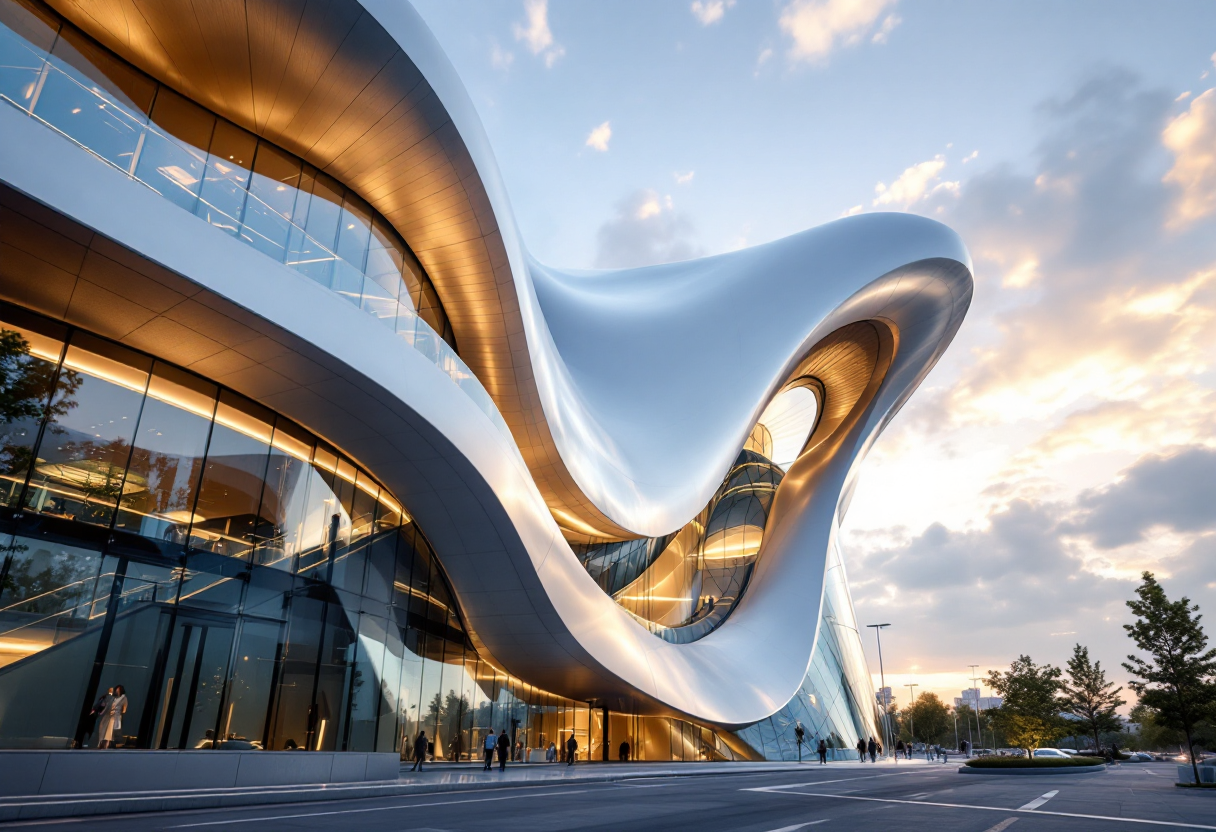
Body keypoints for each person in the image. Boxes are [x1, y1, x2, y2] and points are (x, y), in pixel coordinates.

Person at [97, 685, 127, 749]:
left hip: (115, 717)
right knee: (103, 730)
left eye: (118, 690)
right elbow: (105, 706)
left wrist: (118, 711)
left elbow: (124, 710)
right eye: (116, 690)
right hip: (108, 716)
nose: (117, 691)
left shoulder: (124, 699)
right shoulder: (112, 698)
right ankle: (101, 744)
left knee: (109, 733)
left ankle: (107, 745)